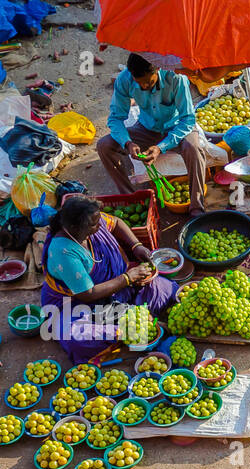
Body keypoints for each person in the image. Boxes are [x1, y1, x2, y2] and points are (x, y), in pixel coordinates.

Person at [40, 196, 177, 364]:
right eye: (94, 224)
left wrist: (136, 245)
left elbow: (116, 222)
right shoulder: (64, 252)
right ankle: (126, 330)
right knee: (77, 336)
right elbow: (87, 294)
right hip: (80, 305)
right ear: (75, 227)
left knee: (164, 288)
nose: (100, 226)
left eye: (98, 220)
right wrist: (127, 278)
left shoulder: (91, 221)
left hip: (116, 288)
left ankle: (133, 322)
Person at [98, 54, 206, 214]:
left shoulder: (176, 77)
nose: (143, 87)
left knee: (194, 148)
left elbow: (188, 120)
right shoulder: (124, 79)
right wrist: (127, 142)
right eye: (139, 83)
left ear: (158, 69)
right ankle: (131, 199)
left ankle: (196, 207)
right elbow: (115, 119)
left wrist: (161, 147)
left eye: (149, 82)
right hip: (146, 129)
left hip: (176, 128)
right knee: (104, 145)